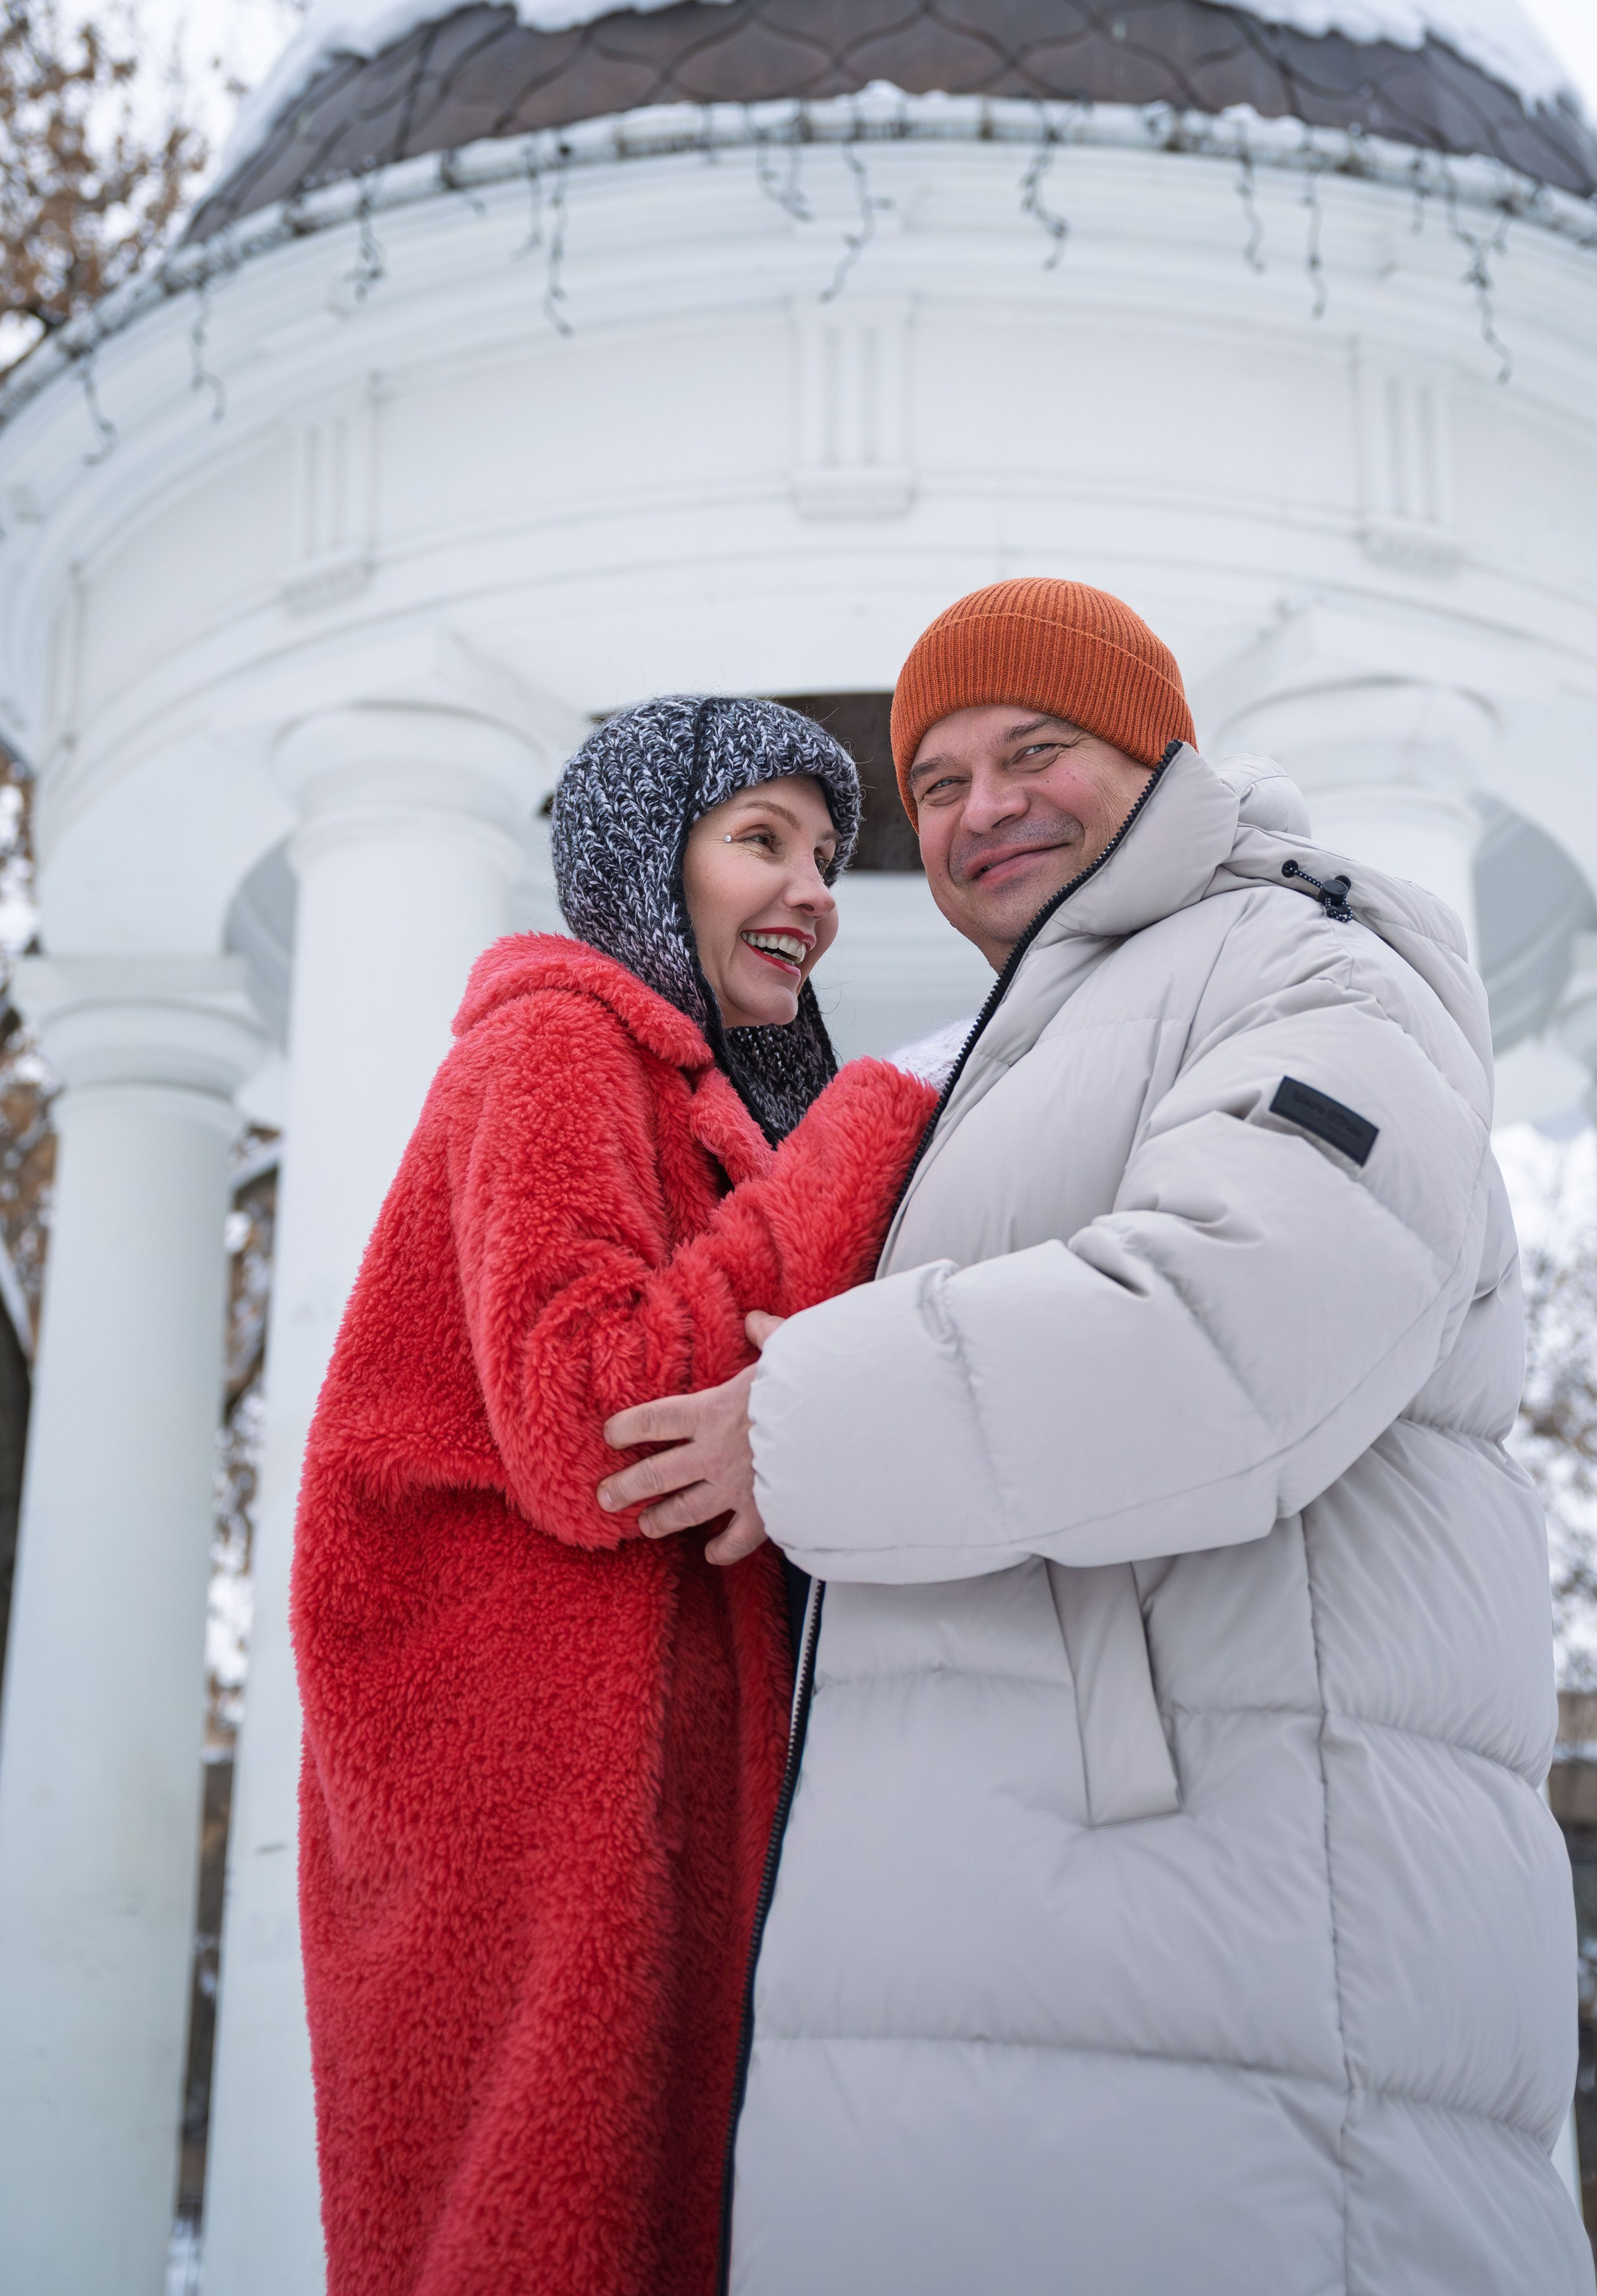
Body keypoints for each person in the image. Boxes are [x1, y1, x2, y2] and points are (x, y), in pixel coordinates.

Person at [605, 583, 1594, 2296]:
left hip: (1230, 2014)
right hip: (1030, 2022)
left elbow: (1236, 1317)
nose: (981, 807)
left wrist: (794, 1428)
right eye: (936, 780)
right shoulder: (1042, 1045)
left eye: (1035, 749)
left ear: (1160, 759)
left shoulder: (1301, 966)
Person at [290, 695, 935, 2296]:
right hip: (519, 1792)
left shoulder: (705, 1098)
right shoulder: (558, 1045)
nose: (813, 891)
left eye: (824, 856)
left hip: (622, 1771)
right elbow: (595, 1416)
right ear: (649, 861)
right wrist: (858, 1143)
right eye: (758, 841)